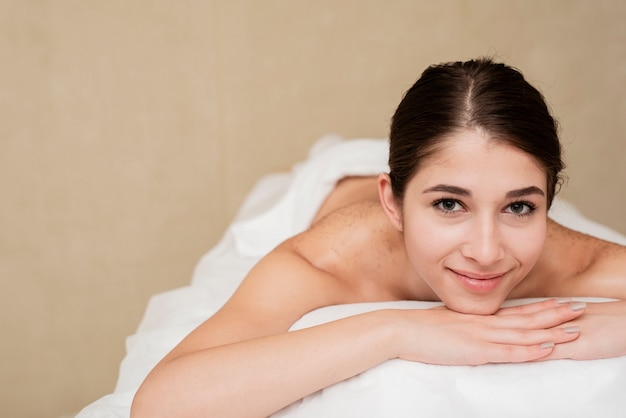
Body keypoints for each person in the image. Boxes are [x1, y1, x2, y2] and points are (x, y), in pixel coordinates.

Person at [131, 58, 626, 418]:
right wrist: (396, 330)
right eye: (448, 205)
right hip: (334, 188)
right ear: (392, 202)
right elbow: (160, 405)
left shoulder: (567, 257)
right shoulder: (323, 262)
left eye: (519, 206)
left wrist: (580, 329)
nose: (486, 252)